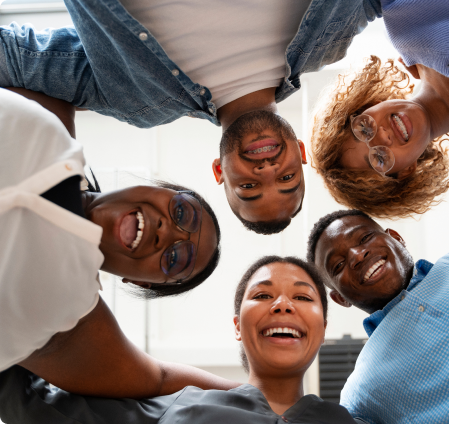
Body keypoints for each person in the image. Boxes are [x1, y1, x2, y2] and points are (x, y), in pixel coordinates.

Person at [0, 0, 382, 233]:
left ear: (219, 171)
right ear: (300, 151)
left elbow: (16, 59)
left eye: (248, 187)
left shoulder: (136, 99)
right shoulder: (329, 41)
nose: (266, 170)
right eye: (286, 178)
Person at [0, 87, 235, 397]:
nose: (169, 232)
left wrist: (269, 401)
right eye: (181, 211)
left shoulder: (64, 311)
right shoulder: (47, 128)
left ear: (141, 281)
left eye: (177, 259)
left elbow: (158, 378)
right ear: (154, 187)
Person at [0, 256, 368, 424]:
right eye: (262, 295)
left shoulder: (349, 420)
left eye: (303, 298)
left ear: (321, 328)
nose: (283, 305)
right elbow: (28, 401)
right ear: (238, 326)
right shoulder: (181, 407)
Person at [306, 188, 449, 422]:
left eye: (364, 238)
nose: (357, 255)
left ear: (396, 237)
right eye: (339, 264)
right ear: (340, 298)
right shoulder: (362, 395)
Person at [310, 0, 449, 218]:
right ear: (406, 171)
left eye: (364, 130)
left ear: (367, 107)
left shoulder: (404, 19)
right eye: (379, 159)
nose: (383, 137)